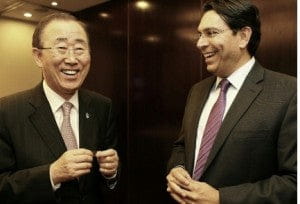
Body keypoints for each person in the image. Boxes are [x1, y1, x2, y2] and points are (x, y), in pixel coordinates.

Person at [166, 0, 296, 203]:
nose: (200, 43)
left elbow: (293, 183)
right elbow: (181, 146)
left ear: (244, 36)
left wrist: (221, 198)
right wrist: (177, 168)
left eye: (211, 33)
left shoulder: (289, 92)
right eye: (200, 34)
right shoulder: (197, 91)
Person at [0, 13, 120, 203]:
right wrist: (51, 174)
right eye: (62, 48)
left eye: (80, 49)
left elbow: (106, 183)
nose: (72, 59)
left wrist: (111, 174)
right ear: (38, 57)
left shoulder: (102, 106)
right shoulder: (6, 111)